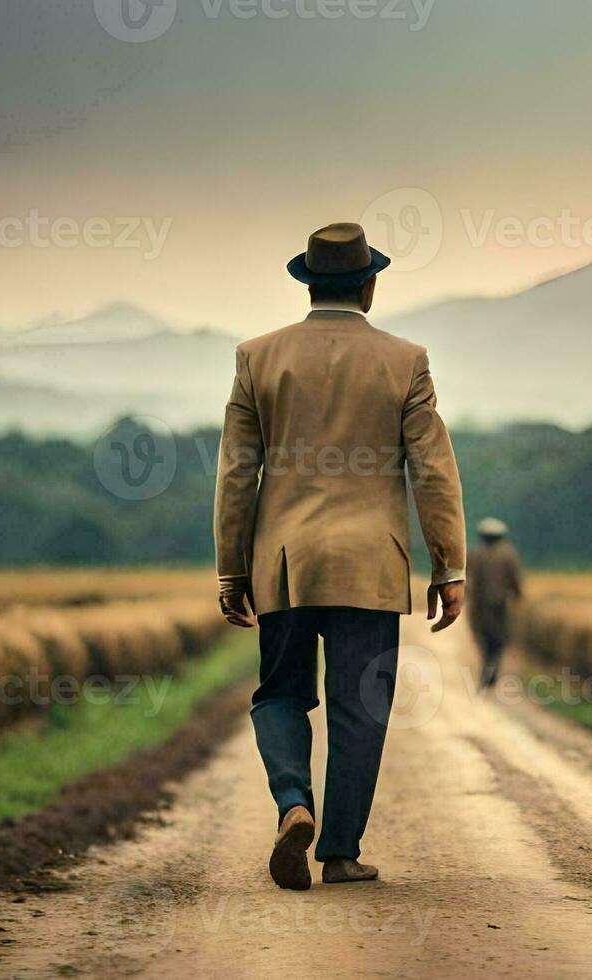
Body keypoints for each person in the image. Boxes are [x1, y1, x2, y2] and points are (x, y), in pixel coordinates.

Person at [213, 222, 467, 891]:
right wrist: (450, 567)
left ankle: (293, 802)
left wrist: (231, 569)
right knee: (360, 707)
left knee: (279, 695)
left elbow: (238, 474)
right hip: (370, 567)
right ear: (370, 284)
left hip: (285, 562)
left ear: (308, 280)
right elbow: (433, 472)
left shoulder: (257, 357)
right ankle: (341, 852)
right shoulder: (406, 360)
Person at [466, 517, 523, 689]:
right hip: (500, 605)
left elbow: (466, 579)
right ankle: (492, 669)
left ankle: (487, 668)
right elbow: (516, 582)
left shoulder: (474, 555)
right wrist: (518, 597)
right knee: (498, 640)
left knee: (483, 638)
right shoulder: (509, 555)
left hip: (479, 606)